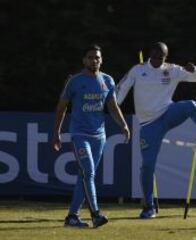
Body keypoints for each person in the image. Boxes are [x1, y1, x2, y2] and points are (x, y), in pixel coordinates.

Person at [116, 42, 196, 219]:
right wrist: (113, 106)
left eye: (161, 57)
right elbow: (121, 90)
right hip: (148, 124)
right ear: (149, 55)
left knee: (190, 105)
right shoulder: (137, 70)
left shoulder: (172, 69)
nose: (157, 60)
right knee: (147, 165)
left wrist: (193, 69)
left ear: (165, 57)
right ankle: (148, 207)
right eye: (154, 56)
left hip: (168, 113)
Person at [52, 44, 130, 228]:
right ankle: (96, 214)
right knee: (88, 172)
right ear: (83, 60)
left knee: (85, 176)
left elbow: (112, 106)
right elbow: (61, 107)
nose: (94, 60)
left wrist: (124, 125)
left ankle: (72, 217)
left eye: (97, 57)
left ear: (101, 60)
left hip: (99, 137)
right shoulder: (75, 81)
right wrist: (56, 132)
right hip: (80, 134)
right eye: (90, 57)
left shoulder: (108, 80)